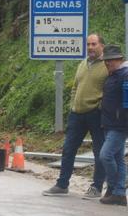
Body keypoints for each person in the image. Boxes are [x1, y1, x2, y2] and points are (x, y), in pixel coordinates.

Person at [42, 34, 107, 198]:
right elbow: (75, 87)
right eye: (88, 44)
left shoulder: (107, 65)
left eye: (94, 44)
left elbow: (110, 90)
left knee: (99, 151)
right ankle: (62, 184)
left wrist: (100, 106)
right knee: (68, 149)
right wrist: (73, 105)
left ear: (102, 46)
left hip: (96, 114)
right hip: (77, 114)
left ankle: (97, 187)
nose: (90, 47)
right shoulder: (83, 64)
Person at [98, 44, 128, 206]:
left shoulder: (125, 75)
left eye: (110, 60)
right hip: (109, 123)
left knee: (105, 155)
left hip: (119, 125)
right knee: (117, 158)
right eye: (106, 60)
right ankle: (119, 194)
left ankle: (115, 186)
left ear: (119, 59)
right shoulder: (113, 74)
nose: (107, 63)